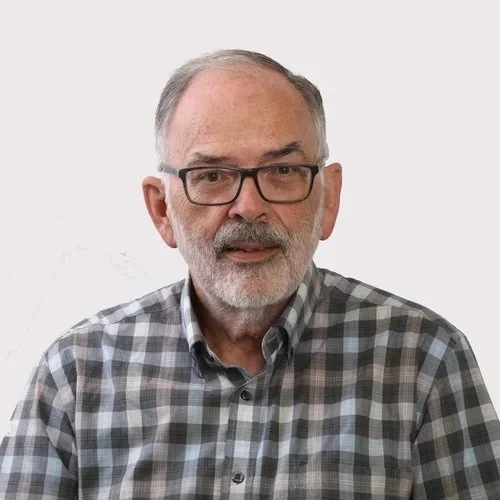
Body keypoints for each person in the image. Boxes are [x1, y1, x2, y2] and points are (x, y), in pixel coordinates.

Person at [1, 49, 499, 499]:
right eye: (212, 176)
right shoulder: (76, 374)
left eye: (282, 171)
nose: (248, 206)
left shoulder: (424, 362)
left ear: (328, 198)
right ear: (161, 210)